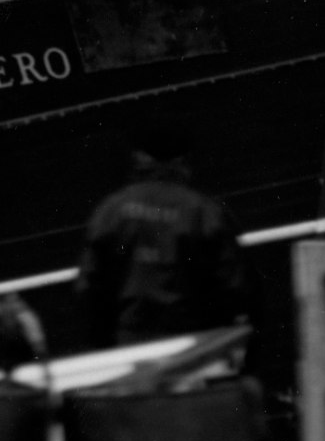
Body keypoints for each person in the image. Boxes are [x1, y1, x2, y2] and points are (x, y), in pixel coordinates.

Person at [73, 131, 247, 349]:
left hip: (126, 344)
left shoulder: (111, 211)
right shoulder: (203, 212)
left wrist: (101, 342)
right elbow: (233, 286)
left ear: (138, 159)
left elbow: (88, 286)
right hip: (191, 346)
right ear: (182, 162)